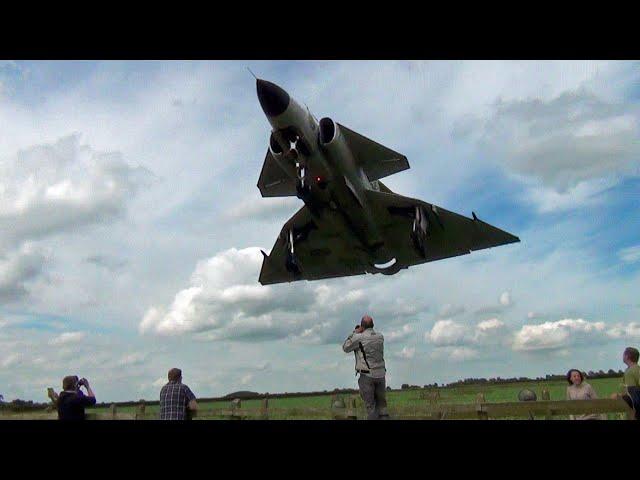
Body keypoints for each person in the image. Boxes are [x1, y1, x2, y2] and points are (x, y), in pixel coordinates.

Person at [342, 315, 388, 420]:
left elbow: (345, 347)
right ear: (373, 325)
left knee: (370, 407)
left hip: (367, 375)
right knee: (382, 407)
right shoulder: (380, 336)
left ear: (362, 326)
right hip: (381, 375)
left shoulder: (359, 338)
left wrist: (355, 332)